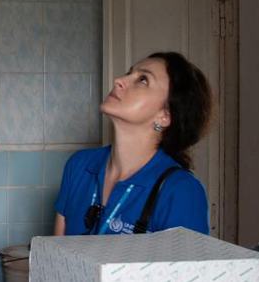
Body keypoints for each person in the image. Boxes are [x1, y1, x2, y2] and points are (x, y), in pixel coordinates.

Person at [53, 51, 212, 236]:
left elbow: (184, 266)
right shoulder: (79, 166)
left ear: (165, 115)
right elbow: (56, 258)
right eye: (129, 73)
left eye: (143, 80)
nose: (119, 80)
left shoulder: (182, 192)